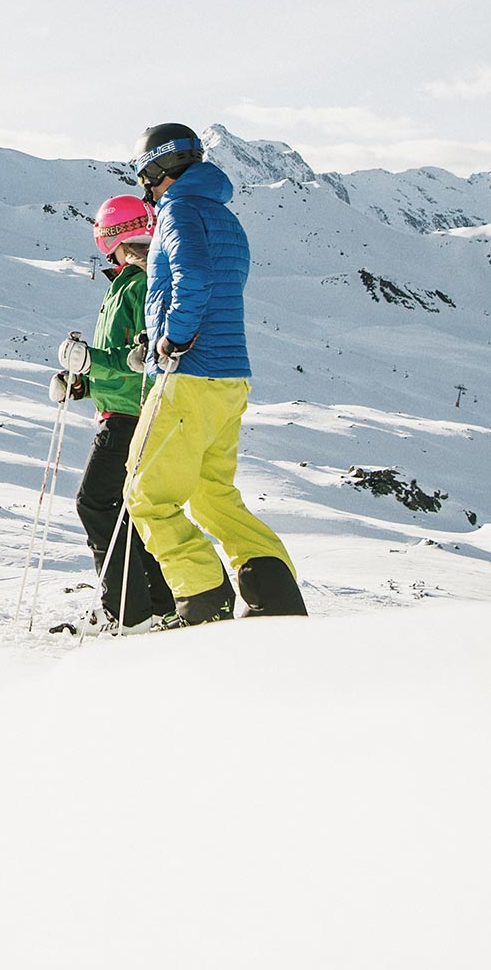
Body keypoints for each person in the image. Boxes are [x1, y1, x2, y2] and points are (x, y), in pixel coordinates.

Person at [60, 124, 307, 626]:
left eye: (143, 174)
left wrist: (172, 338)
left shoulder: (178, 210)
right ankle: (272, 594)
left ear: (156, 168)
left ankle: (203, 603)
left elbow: (191, 275)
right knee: (212, 495)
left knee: (144, 497)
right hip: (229, 377)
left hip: (187, 375)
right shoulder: (223, 216)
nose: (144, 187)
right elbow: (218, 281)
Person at [51, 196, 176, 634]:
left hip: (129, 415)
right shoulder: (126, 282)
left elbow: (139, 358)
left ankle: (127, 612)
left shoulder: (139, 283)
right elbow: (125, 359)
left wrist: (92, 362)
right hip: (121, 409)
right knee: (125, 510)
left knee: (95, 503)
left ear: (109, 238)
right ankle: (159, 605)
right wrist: (81, 382)